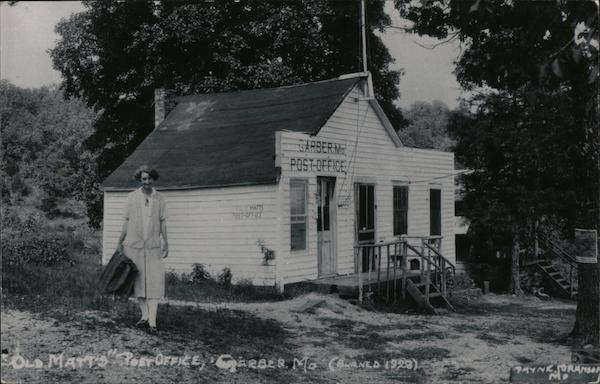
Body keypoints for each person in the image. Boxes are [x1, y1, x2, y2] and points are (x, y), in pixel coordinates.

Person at [116, 165, 169, 333]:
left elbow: (163, 222)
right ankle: (144, 316)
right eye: (144, 179)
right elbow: (126, 221)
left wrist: (166, 242)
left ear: (154, 179)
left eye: (150, 178)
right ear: (140, 180)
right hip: (134, 244)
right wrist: (120, 241)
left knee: (154, 282)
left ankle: (153, 322)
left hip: (152, 246)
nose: (147, 182)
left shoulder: (159, 198)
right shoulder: (132, 197)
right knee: (138, 281)